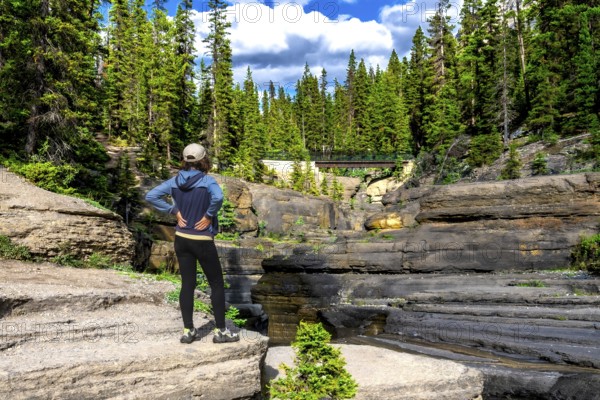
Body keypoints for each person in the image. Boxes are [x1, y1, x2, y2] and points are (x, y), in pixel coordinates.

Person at [145, 143, 239, 344]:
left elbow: (151, 195)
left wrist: (174, 211)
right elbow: (219, 197)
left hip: (182, 239)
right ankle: (221, 332)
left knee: (187, 284)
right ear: (203, 159)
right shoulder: (207, 181)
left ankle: (188, 331)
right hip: (202, 239)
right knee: (216, 284)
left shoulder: (175, 180)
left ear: (185, 160)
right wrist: (208, 215)